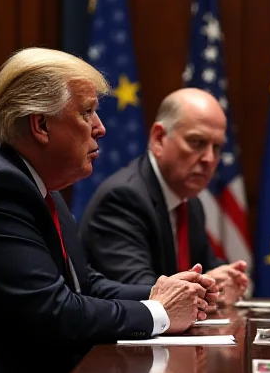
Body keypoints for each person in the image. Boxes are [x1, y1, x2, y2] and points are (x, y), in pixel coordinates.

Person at [0, 48, 218, 373]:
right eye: (87, 113)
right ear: (40, 125)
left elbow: (84, 284)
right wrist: (158, 312)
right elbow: (52, 310)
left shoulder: (37, 184)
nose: (101, 129)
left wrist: (170, 291)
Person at [80, 88, 248, 304]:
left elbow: (206, 267)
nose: (209, 158)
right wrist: (205, 285)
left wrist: (224, 280)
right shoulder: (123, 198)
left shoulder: (190, 202)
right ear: (159, 139)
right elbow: (143, 291)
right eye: (197, 142)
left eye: (217, 148)